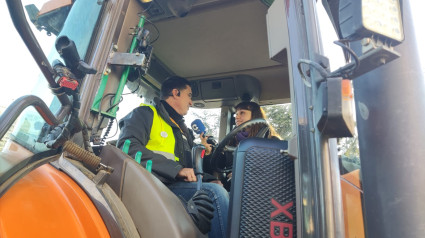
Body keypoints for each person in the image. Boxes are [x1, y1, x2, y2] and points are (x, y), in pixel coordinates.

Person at [117, 76, 229, 238]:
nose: (191, 102)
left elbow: (190, 167)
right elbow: (128, 148)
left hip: (176, 185)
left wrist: (208, 178)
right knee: (215, 194)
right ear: (176, 93)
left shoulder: (183, 130)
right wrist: (177, 170)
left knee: (221, 188)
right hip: (154, 185)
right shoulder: (145, 114)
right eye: (189, 95)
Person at [200, 101, 281, 189]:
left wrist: (242, 173)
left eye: (242, 113)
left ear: (254, 115)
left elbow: (275, 170)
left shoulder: (271, 141)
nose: (237, 117)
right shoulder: (230, 142)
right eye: (236, 114)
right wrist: (208, 152)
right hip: (232, 187)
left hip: (259, 188)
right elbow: (217, 166)